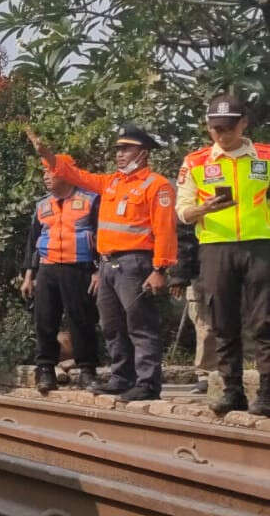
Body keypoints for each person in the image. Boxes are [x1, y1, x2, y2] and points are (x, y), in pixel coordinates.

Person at [27, 123, 177, 402]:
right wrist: (46, 154)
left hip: (136, 263)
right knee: (112, 325)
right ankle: (122, 377)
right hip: (108, 264)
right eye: (118, 149)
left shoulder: (156, 185)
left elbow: (166, 230)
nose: (119, 154)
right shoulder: (112, 183)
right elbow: (72, 173)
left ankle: (147, 383)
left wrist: (160, 269)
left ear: (143, 153)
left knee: (140, 326)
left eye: (126, 148)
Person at [176, 93, 270, 415]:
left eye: (229, 127)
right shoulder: (196, 161)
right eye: (216, 128)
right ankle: (232, 391)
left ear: (244, 123)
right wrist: (201, 209)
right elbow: (181, 211)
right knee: (223, 321)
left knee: (265, 322)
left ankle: (268, 394)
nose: (222, 135)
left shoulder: (266, 156)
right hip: (216, 247)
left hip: (262, 245)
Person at [21, 167, 100, 392]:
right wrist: (29, 275)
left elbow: (103, 236)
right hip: (48, 268)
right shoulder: (42, 205)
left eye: (51, 173)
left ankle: (87, 370)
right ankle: (45, 369)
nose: (45, 177)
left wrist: (99, 270)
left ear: (65, 175)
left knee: (82, 319)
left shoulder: (90, 200)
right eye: (43, 173)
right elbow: (33, 242)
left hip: (80, 267)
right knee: (44, 320)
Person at [167, 223, 215, 395]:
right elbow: (183, 235)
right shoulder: (195, 197)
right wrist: (179, 275)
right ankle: (206, 374)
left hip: (243, 264)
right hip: (200, 269)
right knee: (204, 325)